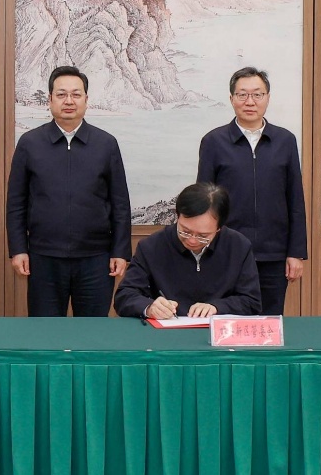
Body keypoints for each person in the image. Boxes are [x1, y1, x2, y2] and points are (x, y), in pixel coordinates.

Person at [7, 65, 131, 317]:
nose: (69, 101)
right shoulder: (30, 143)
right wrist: (19, 249)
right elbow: (16, 203)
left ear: (86, 99)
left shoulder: (106, 143)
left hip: (96, 258)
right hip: (44, 257)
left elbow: (120, 203)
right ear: (50, 99)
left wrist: (120, 251)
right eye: (61, 94)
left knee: (92, 331)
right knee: (46, 331)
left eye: (76, 94)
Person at [196, 66, 307, 315]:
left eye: (257, 94)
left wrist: (296, 253)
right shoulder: (214, 141)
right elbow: (203, 202)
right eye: (242, 94)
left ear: (268, 98)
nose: (250, 102)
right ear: (232, 98)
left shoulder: (285, 140)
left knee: (268, 321)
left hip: (274, 253)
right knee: (225, 318)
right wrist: (204, 248)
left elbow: (295, 200)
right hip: (225, 252)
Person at [114, 182, 261, 319]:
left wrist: (218, 307)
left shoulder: (238, 246)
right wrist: (149, 307)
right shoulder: (152, 246)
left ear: (219, 228)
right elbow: (124, 296)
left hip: (219, 333)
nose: (192, 240)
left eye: (203, 236)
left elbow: (252, 302)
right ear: (177, 216)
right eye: (185, 231)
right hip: (167, 331)